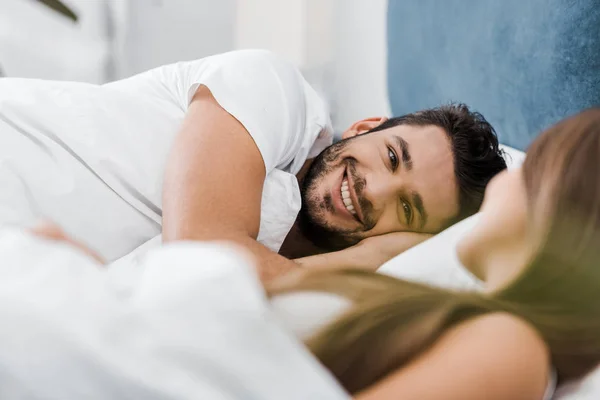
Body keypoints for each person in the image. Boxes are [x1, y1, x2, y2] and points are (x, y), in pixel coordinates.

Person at [0, 49, 506, 280]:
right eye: (392, 157)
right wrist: (363, 260)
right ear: (365, 124)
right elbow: (198, 256)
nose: (373, 189)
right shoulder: (275, 89)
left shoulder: (296, 279)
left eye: (408, 209)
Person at [269, 108, 600, 399]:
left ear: (556, 218)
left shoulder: (512, 347)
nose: (506, 182)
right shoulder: (475, 324)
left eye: (531, 170)